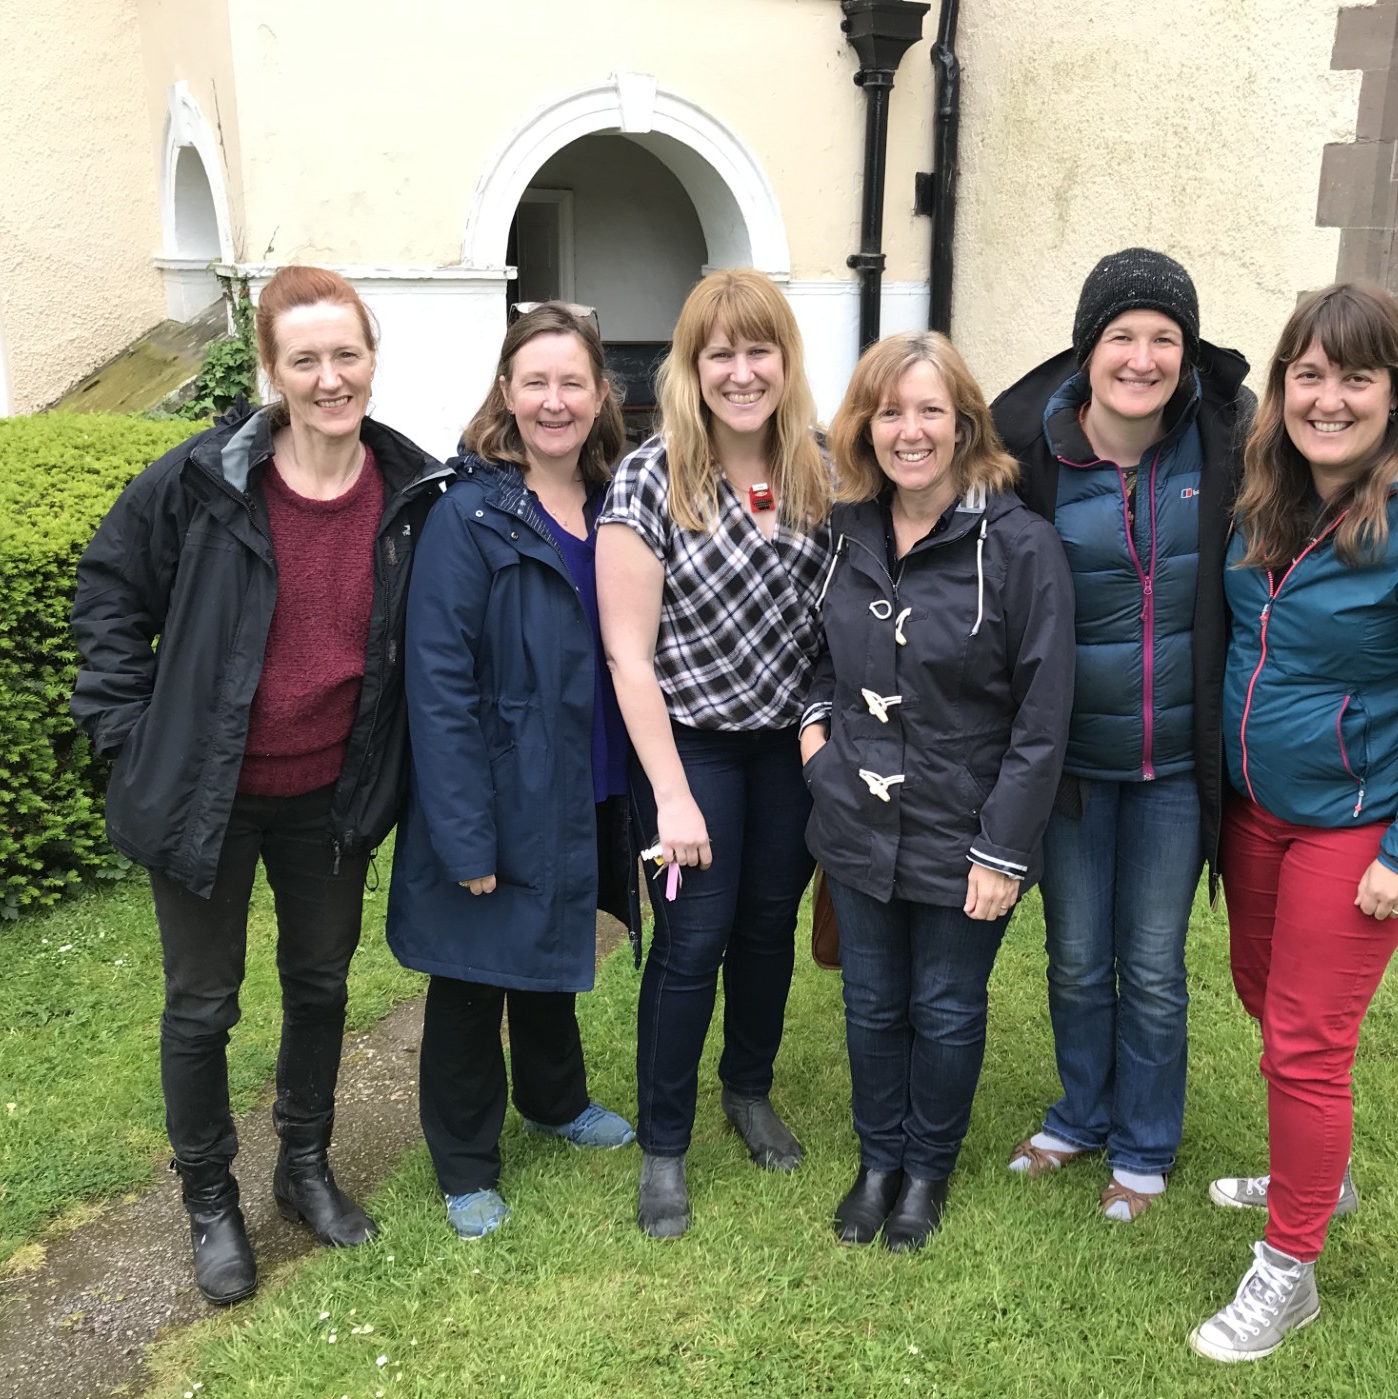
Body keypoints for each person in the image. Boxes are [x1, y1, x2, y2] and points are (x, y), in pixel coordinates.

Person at [71, 266, 447, 1304]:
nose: (331, 378)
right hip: (207, 796)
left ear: (371, 358)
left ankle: (304, 1168)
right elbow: (108, 590)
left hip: (330, 798)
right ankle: (209, 1201)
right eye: (307, 359)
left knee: (321, 985)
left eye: (348, 355)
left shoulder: (412, 491)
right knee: (203, 1005)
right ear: (273, 371)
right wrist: (126, 732)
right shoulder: (201, 481)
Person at [1189, 281, 1398, 1362]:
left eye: (1354, 376)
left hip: (1361, 823)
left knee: (1305, 1042)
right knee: (1261, 993)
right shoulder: (1268, 492)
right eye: (1308, 374)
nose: (1327, 398)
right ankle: (1313, 1178)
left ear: (1397, 388)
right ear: (1283, 385)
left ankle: (1288, 1272)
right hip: (1257, 810)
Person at [989, 249, 1252, 1220]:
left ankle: (1144, 1145)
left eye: (1164, 338)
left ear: (1186, 354)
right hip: (1069, 766)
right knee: (1071, 955)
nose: (1142, 358)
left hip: (1176, 770)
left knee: (1149, 965)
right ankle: (1079, 1114)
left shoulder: (1225, 440)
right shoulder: (1025, 451)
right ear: (1088, 346)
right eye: (1122, 337)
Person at [804, 332, 1074, 1251]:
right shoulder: (841, 534)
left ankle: (926, 1172)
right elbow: (811, 657)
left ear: (964, 425)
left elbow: (1044, 714)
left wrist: (1005, 849)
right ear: (864, 426)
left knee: (947, 1007)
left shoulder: (1021, 546)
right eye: (889, 411)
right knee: (873, 1002)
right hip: (856, 817)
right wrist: (815, 747)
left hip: (967, 825)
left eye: (930, 411)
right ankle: (878, 1160)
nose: (909, 431)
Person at [386, 302, 639, 1242]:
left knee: (547, 946)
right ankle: (462, 1161)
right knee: (470, 974)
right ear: (506, 392)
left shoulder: (616, 499)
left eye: (573, 381)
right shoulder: (470, 514)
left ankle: (555, 1099)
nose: (555, 400)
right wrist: (462, 831)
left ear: (601, 393)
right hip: (496, 784)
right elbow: (438, 682)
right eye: (535, 382)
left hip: (584, 773)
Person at [596, 269, 834, 1239]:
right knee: (692, 944)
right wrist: (673, 795)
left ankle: (749, 1087)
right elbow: (627, 653)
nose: (742, 371)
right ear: (691, 368)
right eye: (720, 353)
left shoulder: (824, 469)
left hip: (788, 751)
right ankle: (664, 1142)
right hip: (689, 749)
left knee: (769, 931)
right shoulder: (652, 478)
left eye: (758, 349)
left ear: (785, 360)